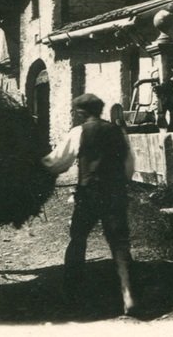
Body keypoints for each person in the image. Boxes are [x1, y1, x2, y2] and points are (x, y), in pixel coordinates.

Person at [42, 93, 136, 315]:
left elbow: (56, 163)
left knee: (78, 238)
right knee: (119, 243)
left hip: (90, 194)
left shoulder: (79, 132)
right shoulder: (118, 131)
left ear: (81, 112)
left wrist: (38, 164)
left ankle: (72, 293)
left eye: (77, 112)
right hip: (115, 193)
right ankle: (129, 295)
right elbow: (129, 167)